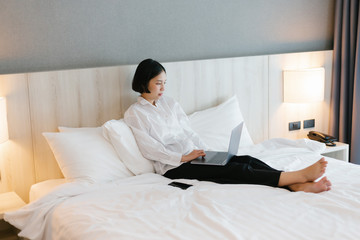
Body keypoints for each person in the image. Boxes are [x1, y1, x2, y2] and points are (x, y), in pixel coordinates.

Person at [124, 58, 332, 193]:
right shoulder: (135, 113)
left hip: (195, 157)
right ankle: (298, 177)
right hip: (173, 167)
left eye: (164, 83)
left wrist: (203, 151)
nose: (163, 88)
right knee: (237, 171)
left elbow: (188, 131)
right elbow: (150, 149)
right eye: (158, 82)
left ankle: (293, 184)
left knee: (246, 159)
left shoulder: (170, 103)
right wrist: (183, 157)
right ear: (144, 82)